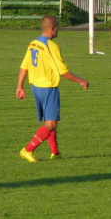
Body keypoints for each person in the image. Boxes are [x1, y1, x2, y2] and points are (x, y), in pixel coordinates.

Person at [16, 16, 89, 162]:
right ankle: (28, 150)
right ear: (52, 28)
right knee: (51, 123)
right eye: (58, 27)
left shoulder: (33, 44)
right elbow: (63, 72)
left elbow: (24, 66)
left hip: (35, 87)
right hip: (48, 88)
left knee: (51, 119)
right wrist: (81, 81)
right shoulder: (52, 47)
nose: (58, 30)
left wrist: (19, 87)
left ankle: (55, 153)